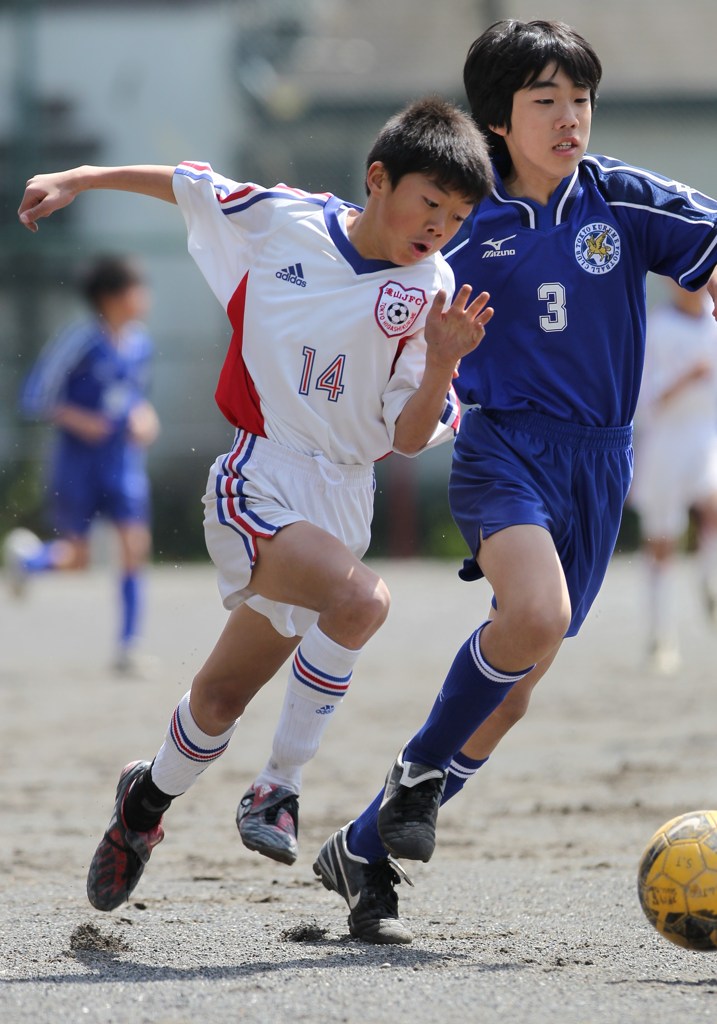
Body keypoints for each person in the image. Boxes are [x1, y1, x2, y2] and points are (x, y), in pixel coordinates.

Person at [17, 96, 495, 912]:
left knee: (217, 700)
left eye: (456, 216)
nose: (439, 226)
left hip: (343, 500)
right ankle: (278, 787)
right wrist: (83, 176)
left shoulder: (432, 290)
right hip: (258, 477)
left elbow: (410, 440)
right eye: (429, 203)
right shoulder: (287, 221)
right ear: (378, 179)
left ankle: (144, 805)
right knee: (361, 601)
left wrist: (445, 365)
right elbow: (188, 184)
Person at [312, 18, 717, 946]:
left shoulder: (623, 202)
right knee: (530, 618)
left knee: (518, 686)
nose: (569, 118)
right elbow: (359, 260)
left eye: (579, 101)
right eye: (545, 101)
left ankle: (364, 846)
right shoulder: (462, 215)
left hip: (602, 460)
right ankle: (416, 777)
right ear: (498, 119)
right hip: (504, 448)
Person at [3, 255, 160, 675]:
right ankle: (29, 562)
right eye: (136, 288)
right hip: (77, 465)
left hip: (122, 464)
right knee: (77, 559)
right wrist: (82, 420)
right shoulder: (80, 342)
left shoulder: (142, 344)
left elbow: (133, 397)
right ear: (110, 298)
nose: (145, 297)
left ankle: (129, 648)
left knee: (134, 546)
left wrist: (145, 417)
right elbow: (36, 397)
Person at [630, 280, 717, 674]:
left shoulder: (712, 326)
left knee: (712, 500)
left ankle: (710, 581)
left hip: (706, 433)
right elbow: (646, 401)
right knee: (662, 540)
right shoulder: (657, 328)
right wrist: (685, 377)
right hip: (665, 441)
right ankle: (662, 635)